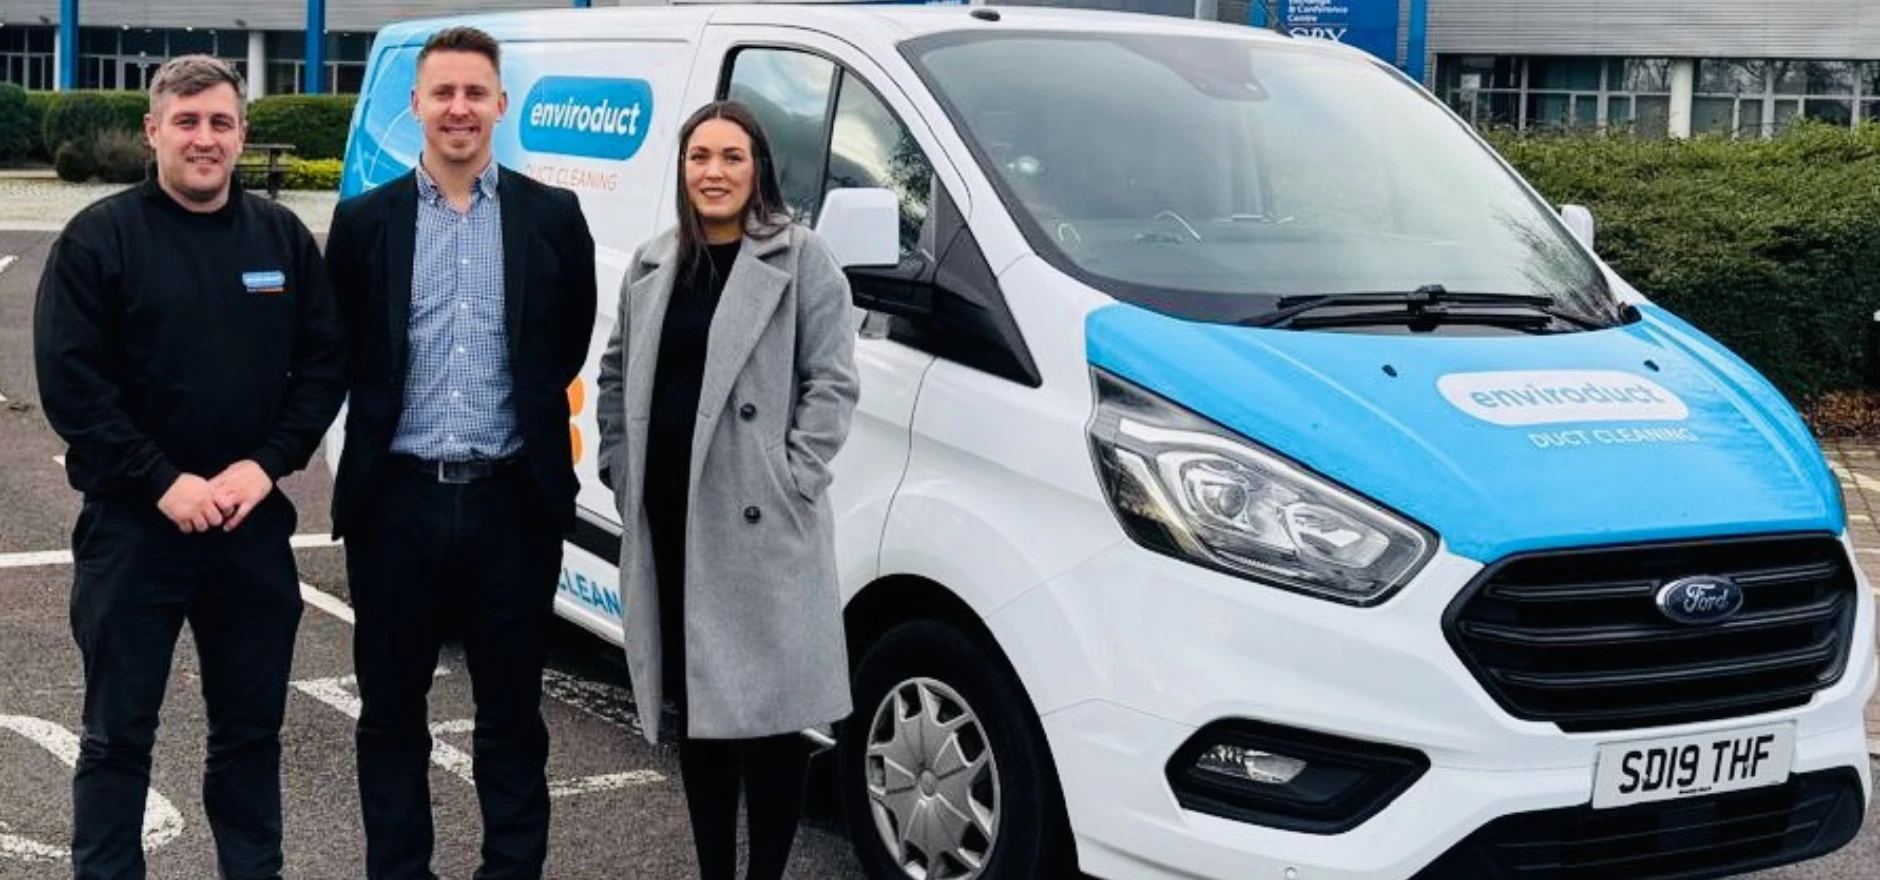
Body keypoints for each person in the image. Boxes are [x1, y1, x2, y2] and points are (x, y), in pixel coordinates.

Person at [32, 54, 346, 880]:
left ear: (242, 134)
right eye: (186, 121)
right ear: (153, 131)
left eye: (220, 122)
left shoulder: (279, 238)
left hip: (249, 530)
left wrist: (267, 465)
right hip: (134, 533)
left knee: (249, 736)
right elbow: (72, 384)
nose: (203, 139)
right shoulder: (99, 240)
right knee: (116, 738)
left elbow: (324, 365)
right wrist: (160, 481)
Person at [321, 25, 597, 880]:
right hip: (395, 503)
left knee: (512, 716)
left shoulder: (554, 219)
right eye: (442, 93)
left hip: (512, 503)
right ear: (416, 106)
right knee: (392, 714)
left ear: (501, 105)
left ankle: (510, 871)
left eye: (475, 93)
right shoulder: (366, 223)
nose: (459, 109)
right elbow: (344, 346)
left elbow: (567, 342)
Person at [595, 99, 859, 880]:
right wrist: (620, 466)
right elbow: (614, 375)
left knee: (770, 728)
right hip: (671, 523)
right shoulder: (653, 263)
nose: (713, 172)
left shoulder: (802, 259)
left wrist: (794, 477)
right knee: (700, 722)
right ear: (682, 170)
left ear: (759, 171)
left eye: (731, 157)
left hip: (759, 527)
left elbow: (833, 384)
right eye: (699, 157)